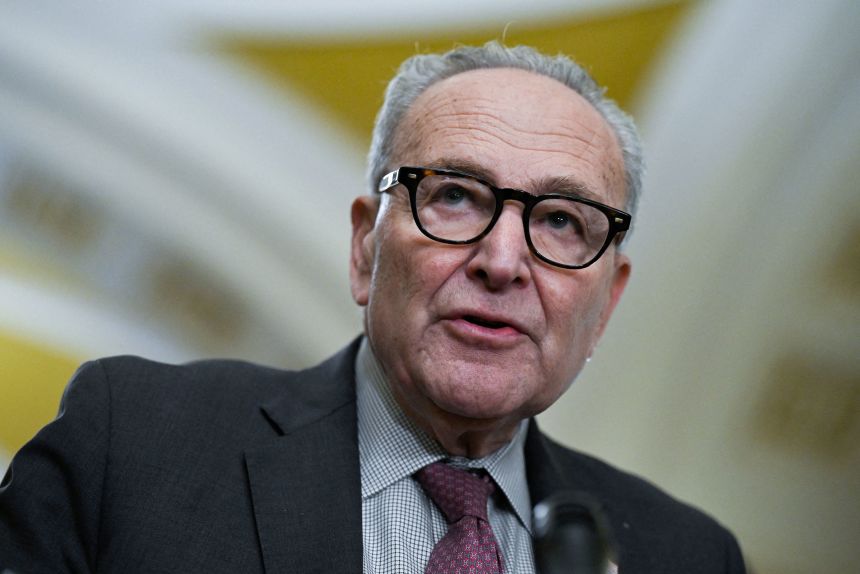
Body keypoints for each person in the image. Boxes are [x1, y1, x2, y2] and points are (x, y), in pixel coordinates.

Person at [0, 42, 746, 573]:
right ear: (365, 247)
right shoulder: (130, 446)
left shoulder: (684, 553)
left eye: (561, 222)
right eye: (455, 196)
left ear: (607, 303)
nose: (502, 261)